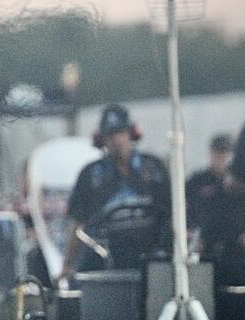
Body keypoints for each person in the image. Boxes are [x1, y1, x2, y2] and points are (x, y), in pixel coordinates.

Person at [57, 104, 169, 283]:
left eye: (121, 133)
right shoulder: (90, 174)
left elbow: (172, 212)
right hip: (105, 260)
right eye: (110, 135)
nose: (116, 140)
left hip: (151, 258)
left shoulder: (154, 167)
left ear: (131, 133)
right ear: (102, 139)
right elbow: (76, 222)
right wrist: (67, 265)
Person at [185, 132, 234, 241]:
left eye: (224, 154)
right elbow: (186, 206)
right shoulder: (197, 180)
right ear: (211, 154)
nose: (221, 158)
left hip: (230, 237)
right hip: (202, 237)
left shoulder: (238, 182)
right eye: (217, 154)